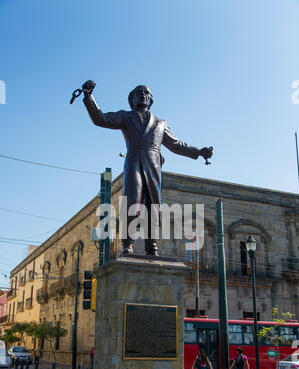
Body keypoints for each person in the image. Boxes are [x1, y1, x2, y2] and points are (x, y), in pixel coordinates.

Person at [82, 81, 213, 256]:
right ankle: (127, 243)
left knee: (153, 205)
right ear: (132, 99)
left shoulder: (160, 123)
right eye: (138, 92)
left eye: (146, 93)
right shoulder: (125, 117)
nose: (142, 94)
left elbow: (176, 145)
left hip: (153, 165)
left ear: (151, 100)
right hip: (134, 162)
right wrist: (89, 97)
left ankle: (152, 245)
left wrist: (199, 152)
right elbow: (100, 118)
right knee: (132, 202)